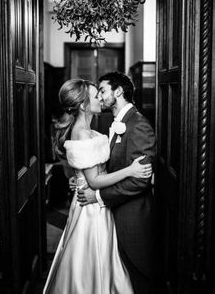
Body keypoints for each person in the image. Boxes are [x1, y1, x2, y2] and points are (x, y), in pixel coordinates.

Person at [43, 78, 152, 294]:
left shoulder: (89, 128)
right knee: (91, 260)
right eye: (96, 95)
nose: (100, 98)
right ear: (83, 104)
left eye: (101, 92)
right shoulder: (82, 132)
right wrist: (130, 170)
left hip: (97, 200)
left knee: (104, 259)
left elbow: (90, 170)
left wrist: (78, 177)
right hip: (91, 207)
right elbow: (93, 181)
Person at [76, 72, 156, 294]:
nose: (99, 97)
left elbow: (140, 182)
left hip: (133, 216)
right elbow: (112, 167)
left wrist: (98, 196)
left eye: (102, 90)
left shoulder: (138, 124)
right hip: (114, 213)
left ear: (118, 91)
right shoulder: (117, 122)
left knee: (138, 276)